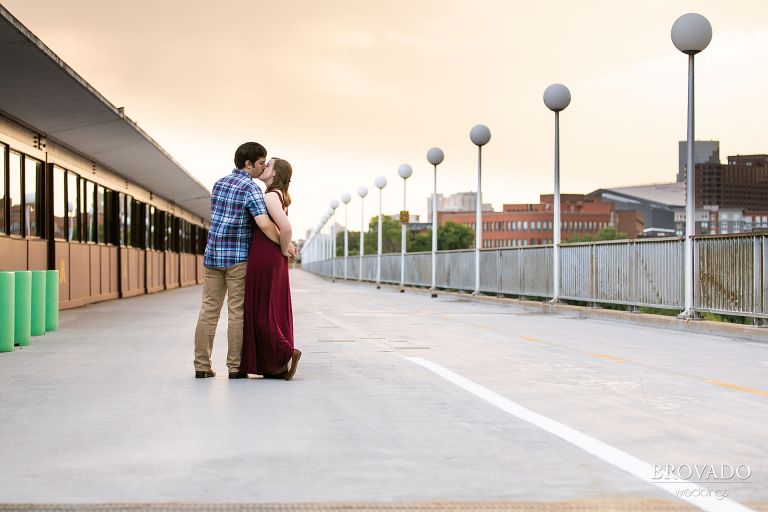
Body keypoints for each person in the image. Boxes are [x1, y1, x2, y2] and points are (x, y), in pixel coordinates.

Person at [193, 142, 293, 379]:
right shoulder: (251, 188)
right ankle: (235, 367)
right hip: (237, 258)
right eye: (260, 162)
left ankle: (201, 366)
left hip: (213, 255)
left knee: (209, 311)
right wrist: (285, 245)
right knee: (236, 312)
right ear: (248, 163)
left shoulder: (219, 183)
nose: (262, 167)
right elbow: (265, 223)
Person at [240, 157, 301, 380]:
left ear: (275, 174)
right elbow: (281, 228)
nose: (264, 167)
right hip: (270, 255)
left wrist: (285, 248)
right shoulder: (279, 195)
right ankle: (274, 365)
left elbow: (285, 227)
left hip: (265, 255)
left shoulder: (269, 195)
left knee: (260, 309)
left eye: (269, 165)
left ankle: (286, 352)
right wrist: (285, 247)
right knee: (272, 308)